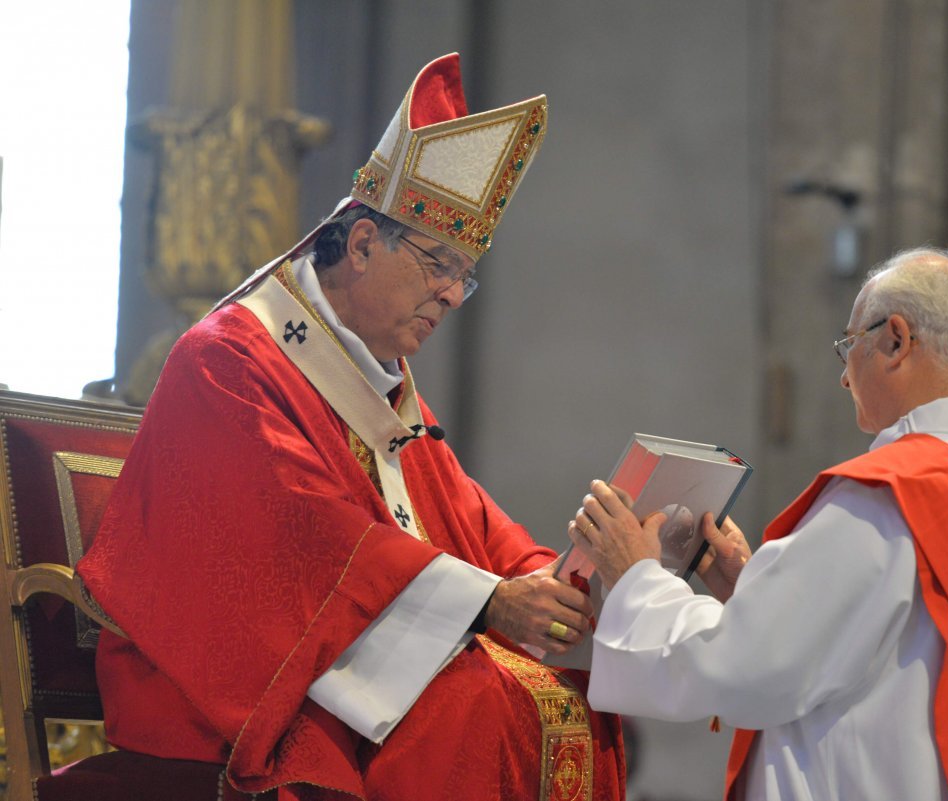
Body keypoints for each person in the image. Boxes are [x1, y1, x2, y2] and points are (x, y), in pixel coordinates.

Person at [77, 53, 623, 801]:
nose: (453, 295)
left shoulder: (377, 378)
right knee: (474, 707)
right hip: (220, 694)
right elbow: (309, 538)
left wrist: (555, 578)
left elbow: (457, 513)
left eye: (466, 275)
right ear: (363, 244)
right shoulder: (229, 361)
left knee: (565, 701)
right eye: (439, 265)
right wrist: (488, 601)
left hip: (344, 669)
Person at [566, 249, 948, 801]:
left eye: (849, 345)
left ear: (895, 340)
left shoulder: (889, 494)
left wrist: (637, 579)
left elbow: (745, 668)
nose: (844, 376)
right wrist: (752, 589)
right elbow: (882, 641)